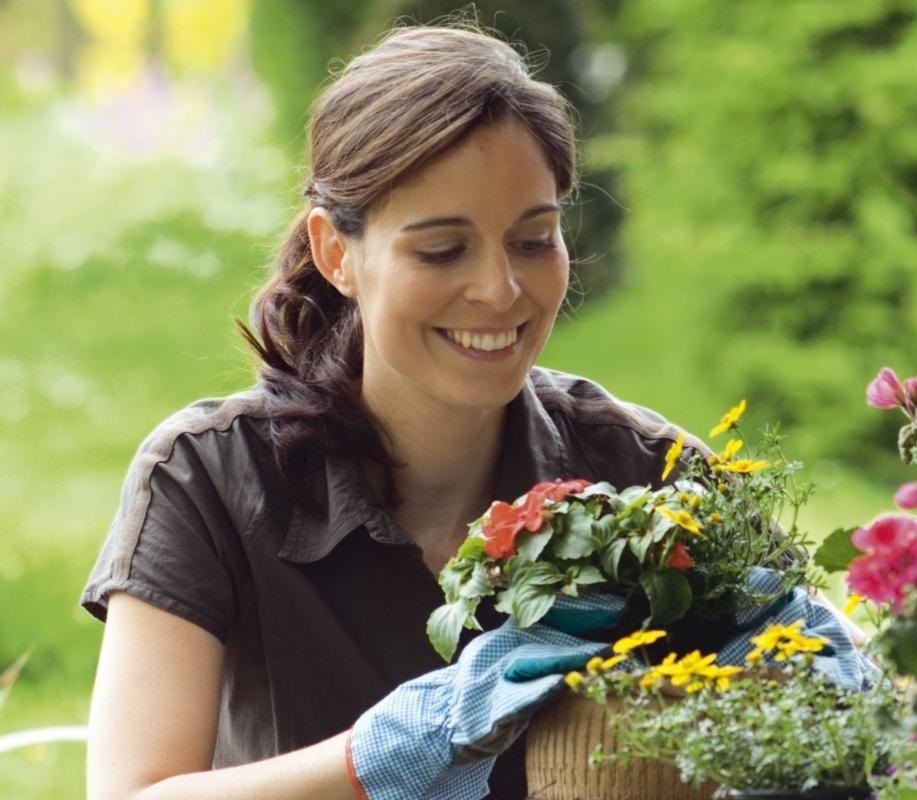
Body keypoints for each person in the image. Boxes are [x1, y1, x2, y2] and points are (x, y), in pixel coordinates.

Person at [79, 23, 866, 800]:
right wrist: (383, 754)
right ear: (336, 253)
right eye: (441, 250)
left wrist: (826, 707)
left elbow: (847, 729)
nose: (499, 290)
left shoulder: (653, 482)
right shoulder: (211, 480)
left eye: (533, 240)